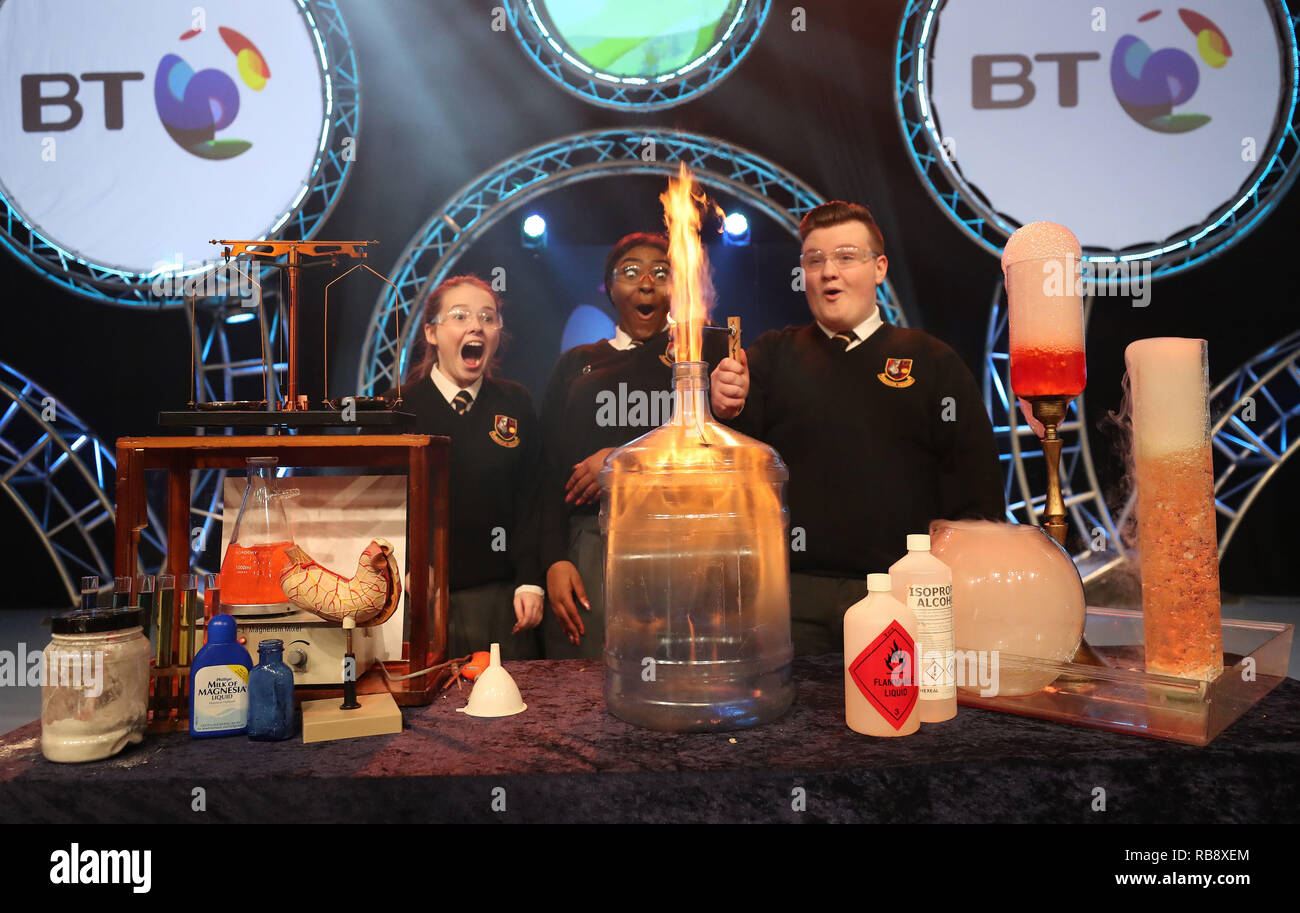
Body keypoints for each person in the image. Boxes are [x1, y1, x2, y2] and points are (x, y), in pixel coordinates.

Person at [710, 201, 1005, 655]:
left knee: (909, 724)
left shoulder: (932, 361)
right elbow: (734, 464)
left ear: (879, 268)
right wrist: (723, 407)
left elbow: (976, 490)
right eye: (814, 260)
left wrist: (968, 586)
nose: (829, 271)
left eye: (846, 256)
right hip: (792, 597)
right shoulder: (769, 356)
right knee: (793, 725)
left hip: (904, 595)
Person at [538, 232, 729, 658]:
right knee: (581, 692)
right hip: (590, 545)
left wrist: (620, 460)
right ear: (609, 287)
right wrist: (554, 559)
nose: (646, 282)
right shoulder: (576, 364)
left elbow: (722, 455)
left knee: (673, 684)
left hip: (682, 542)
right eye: (630, 272)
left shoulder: (699, 356)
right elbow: (546, 470)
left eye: (661, 273)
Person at [399, 275, 544, 661]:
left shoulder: (515, 403)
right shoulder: (397, 408)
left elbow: (533, 498)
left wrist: (531, 580)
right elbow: (378, 503)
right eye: (460, 316)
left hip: (501, 600)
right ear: (432, 332)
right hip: (422, 598)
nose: (476, 326)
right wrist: (409, 564)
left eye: (488, 317)